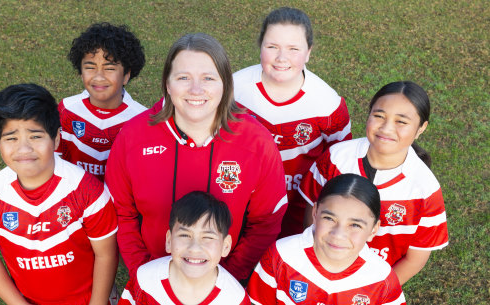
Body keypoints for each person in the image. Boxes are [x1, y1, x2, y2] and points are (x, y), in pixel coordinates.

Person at [105, 33, 287, 286]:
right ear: (167, 84)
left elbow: (266, 222)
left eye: (208, 78)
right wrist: (144, 274)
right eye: (183, 78)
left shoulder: (257, 142)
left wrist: (226, 279)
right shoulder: (133, 137)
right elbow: (121, 214)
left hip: (225, 282)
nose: (196, 90)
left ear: (225, 85)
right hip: (153, 280)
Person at [0, 84, 119, 304]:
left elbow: (106, 254)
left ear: (56, 139)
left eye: (35, 136)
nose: (24, 149)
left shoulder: (87, 190)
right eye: (11, 138)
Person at [298, 81, 449, 285]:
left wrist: (376, 291)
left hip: (374, 282)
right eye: (379, 116)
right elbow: (312, 212)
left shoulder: (425, 189)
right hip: (319, 268)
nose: (386, 128)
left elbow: (416, 258)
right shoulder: (337, 158)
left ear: (421, 128)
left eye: (401, 122)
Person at [233, 7, 351, 238]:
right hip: (241, 202)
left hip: (298, 210)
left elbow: (338, 162)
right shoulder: (232, 90)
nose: (281, 58)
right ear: (260, 47)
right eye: (272, 47)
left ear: (308, 52)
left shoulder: (328, 104)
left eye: (293, 49)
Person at [248, 174, 406, 304]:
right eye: (329, 219)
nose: (338, 234)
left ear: (374, 230)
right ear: (315, 213)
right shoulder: (282, 256)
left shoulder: (381, 278)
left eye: (355, 225)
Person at [118, 191, 250, 304]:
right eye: (185, 235)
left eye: (208, 237)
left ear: (225, 246)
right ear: (169, 241)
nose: (194, 248)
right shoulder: (145, 280)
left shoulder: (235, 299)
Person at [57, 22, 147, 181]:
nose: (99, 77)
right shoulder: (67, 110)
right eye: (90, 67)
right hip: (75, 200)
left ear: (126, 75)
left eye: (110, 68)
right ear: (80, 72)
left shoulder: (142, 119)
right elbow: (54, 161)